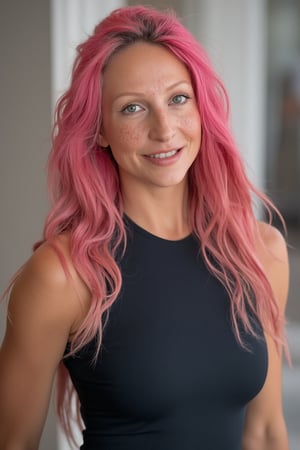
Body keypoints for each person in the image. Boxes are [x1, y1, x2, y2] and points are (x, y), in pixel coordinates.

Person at [0, 5, 290, 450]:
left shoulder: (259, 252)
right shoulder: (63, 275)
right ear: (99, 129)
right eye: (132, 108)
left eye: (178, 98)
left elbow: (266, 432)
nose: (164, 128)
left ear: (201, 108)